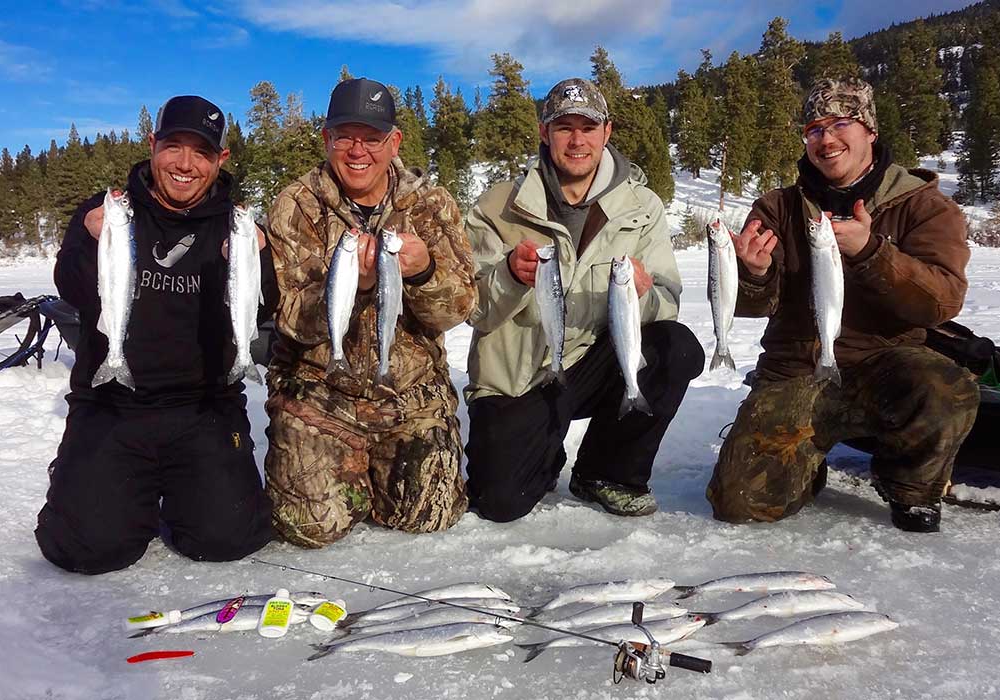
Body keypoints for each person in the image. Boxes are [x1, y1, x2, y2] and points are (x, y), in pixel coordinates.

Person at [705, 78, 979, 533]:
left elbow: (942, 301)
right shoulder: (777, 207)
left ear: (870, 130)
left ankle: (910, 486)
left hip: (885, 365)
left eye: (840, 124)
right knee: (739, 504)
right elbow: (753, 305)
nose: (826, 139)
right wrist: (752, 273)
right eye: (814, 128)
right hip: (794, 370)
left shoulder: (924, 208)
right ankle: (803, 465)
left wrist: (873, 251)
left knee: (944, 388)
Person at [35, 95, 276, 574]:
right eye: (174, 147)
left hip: (204, 407)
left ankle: (184, 483)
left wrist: (259, 260)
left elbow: (261, 307)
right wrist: (88, 240)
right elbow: (77, 292)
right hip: (113, 403)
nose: (185, 164)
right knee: (87, 548)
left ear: (220, 159)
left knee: (228, 538)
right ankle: (89, 475)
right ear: (153, 146)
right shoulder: (108, 215)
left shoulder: (240, 226)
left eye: (202, 152)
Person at [462, 78, 705, 522]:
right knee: (500, 502)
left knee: (675, 346)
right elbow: (471, 307)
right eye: (564, 128)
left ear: (606, 133)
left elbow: (667, 300)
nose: (577, 141)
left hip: (595, 364)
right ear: (544, 133)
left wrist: (642, 293)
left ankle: (606, 473)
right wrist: (510, 277)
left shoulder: (641, 206)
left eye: (588, 128)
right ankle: (540, 451)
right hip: (520, 378)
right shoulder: (498, 206)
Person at [262, 77, 476, 548]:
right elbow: (289, 320)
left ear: (394, 141)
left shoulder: (430, 205)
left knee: (429, 519)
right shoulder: (295, 205)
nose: (358, 150)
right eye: (345, 136)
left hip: (409, 396)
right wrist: (350, 285)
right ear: (326, 138)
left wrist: (423, 272)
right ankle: (345, 473)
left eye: (372, 138)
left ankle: (376, 473)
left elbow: (459, 309)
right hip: (319, 396)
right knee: (309, 528)